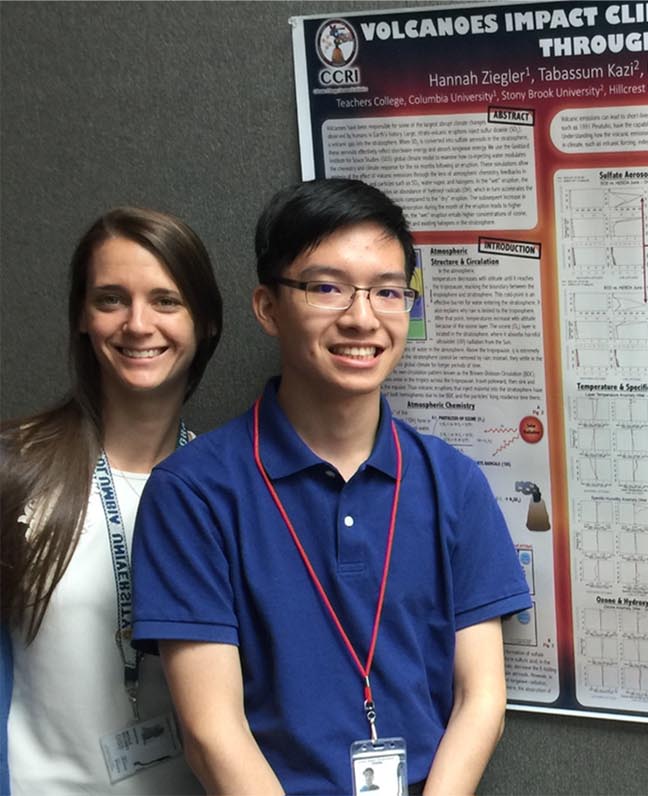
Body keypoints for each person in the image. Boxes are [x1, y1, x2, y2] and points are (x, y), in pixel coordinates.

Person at [129, 179, 531, 795]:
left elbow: (481, 698)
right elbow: (212, 731)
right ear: (268, 307)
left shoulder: (455, 484)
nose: (362, 317)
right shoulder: (193, 494)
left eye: (388, 291)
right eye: (327, 287)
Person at [0, 208, 223, 793]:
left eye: (166, 301)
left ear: (205, 322)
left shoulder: (226, 491)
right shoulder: (14, 469)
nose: (138, 324)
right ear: (81, 316)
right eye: (110, 299)